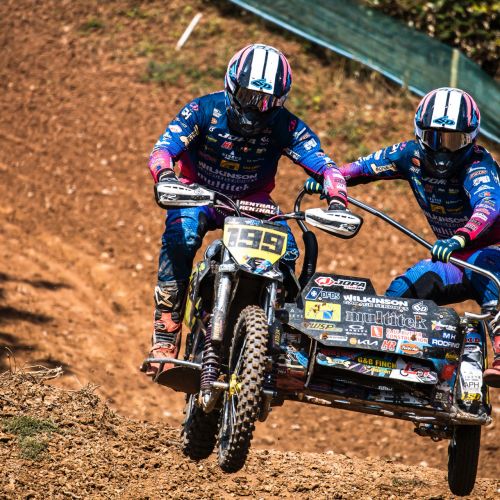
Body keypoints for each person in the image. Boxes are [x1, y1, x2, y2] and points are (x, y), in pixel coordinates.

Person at [141, 44, 349, 380]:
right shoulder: (202, 110)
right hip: (199, 194)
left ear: (280, 101)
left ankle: (282, 342)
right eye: (248, 97)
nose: (255, 108)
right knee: (182, 238)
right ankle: (166, 336)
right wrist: (165, 175)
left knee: (288, 253)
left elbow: (325, 165)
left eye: (265, 102)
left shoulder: (286, 126)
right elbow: (164, 148)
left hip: (254, 202)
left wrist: (337, 199)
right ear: (231, 86)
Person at [307, 87, 500, 387]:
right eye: (435, 138)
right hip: (454, 261)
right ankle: (410, 367)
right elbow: (359, 168)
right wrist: (330, 181)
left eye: (453, 141)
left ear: (470, 139)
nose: (443, 150)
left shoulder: (479, 166)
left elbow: (489, 205)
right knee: (398, 295)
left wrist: (460, 238)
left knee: (487, 267)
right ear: (420, 133)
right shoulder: (408, 155)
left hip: (489, 255)